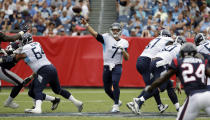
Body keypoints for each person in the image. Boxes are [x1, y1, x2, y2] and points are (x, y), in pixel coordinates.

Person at [13, 33, 83, 114]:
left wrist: (12, 50)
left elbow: (17, 57)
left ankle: (38, 108)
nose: (21, 43)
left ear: (26, 40)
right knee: (56, 90)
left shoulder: (25, 48)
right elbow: (33, 60)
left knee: (37, 90)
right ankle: (77, 102)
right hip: (51, 68)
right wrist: (31, 77)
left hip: (43, 71)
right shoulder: (37, 44)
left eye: (22, 41)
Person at [145, 42, 210, 120]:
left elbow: (164, 78)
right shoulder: (202, 62)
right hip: (207, 95)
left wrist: (151, 87)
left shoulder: (178, 62)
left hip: (193, 97)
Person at [127, 36, 186, 114]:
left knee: (169, 84)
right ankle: (139, 101)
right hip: (161, 63)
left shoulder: (169, 46)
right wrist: (178, 83)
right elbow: (178, 65)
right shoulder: (180, 49)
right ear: (182, 43)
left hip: (153, 62)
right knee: (160, 86)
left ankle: (178, 108)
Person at [81, 18, 129, 112]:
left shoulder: (124, 42)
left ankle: (116, 106)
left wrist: (123, 51)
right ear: (111, 30)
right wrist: (86, 25)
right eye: (114, 29)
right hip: (107, 66)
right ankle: (117, 101)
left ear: (120, 31)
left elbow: (127, 58)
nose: (115, 31)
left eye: (117, 30)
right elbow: (95, 34)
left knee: (115, 82)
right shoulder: (106, 37)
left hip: (117, 65)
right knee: (107, 89)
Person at [0, 25, 28, 108]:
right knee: (20, 82)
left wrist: (5, 52)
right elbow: (11, 38)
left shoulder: (14, 45)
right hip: (2, 67)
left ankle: (8, 102)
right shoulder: (18, 45)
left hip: (3, 65)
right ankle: (8, 102)